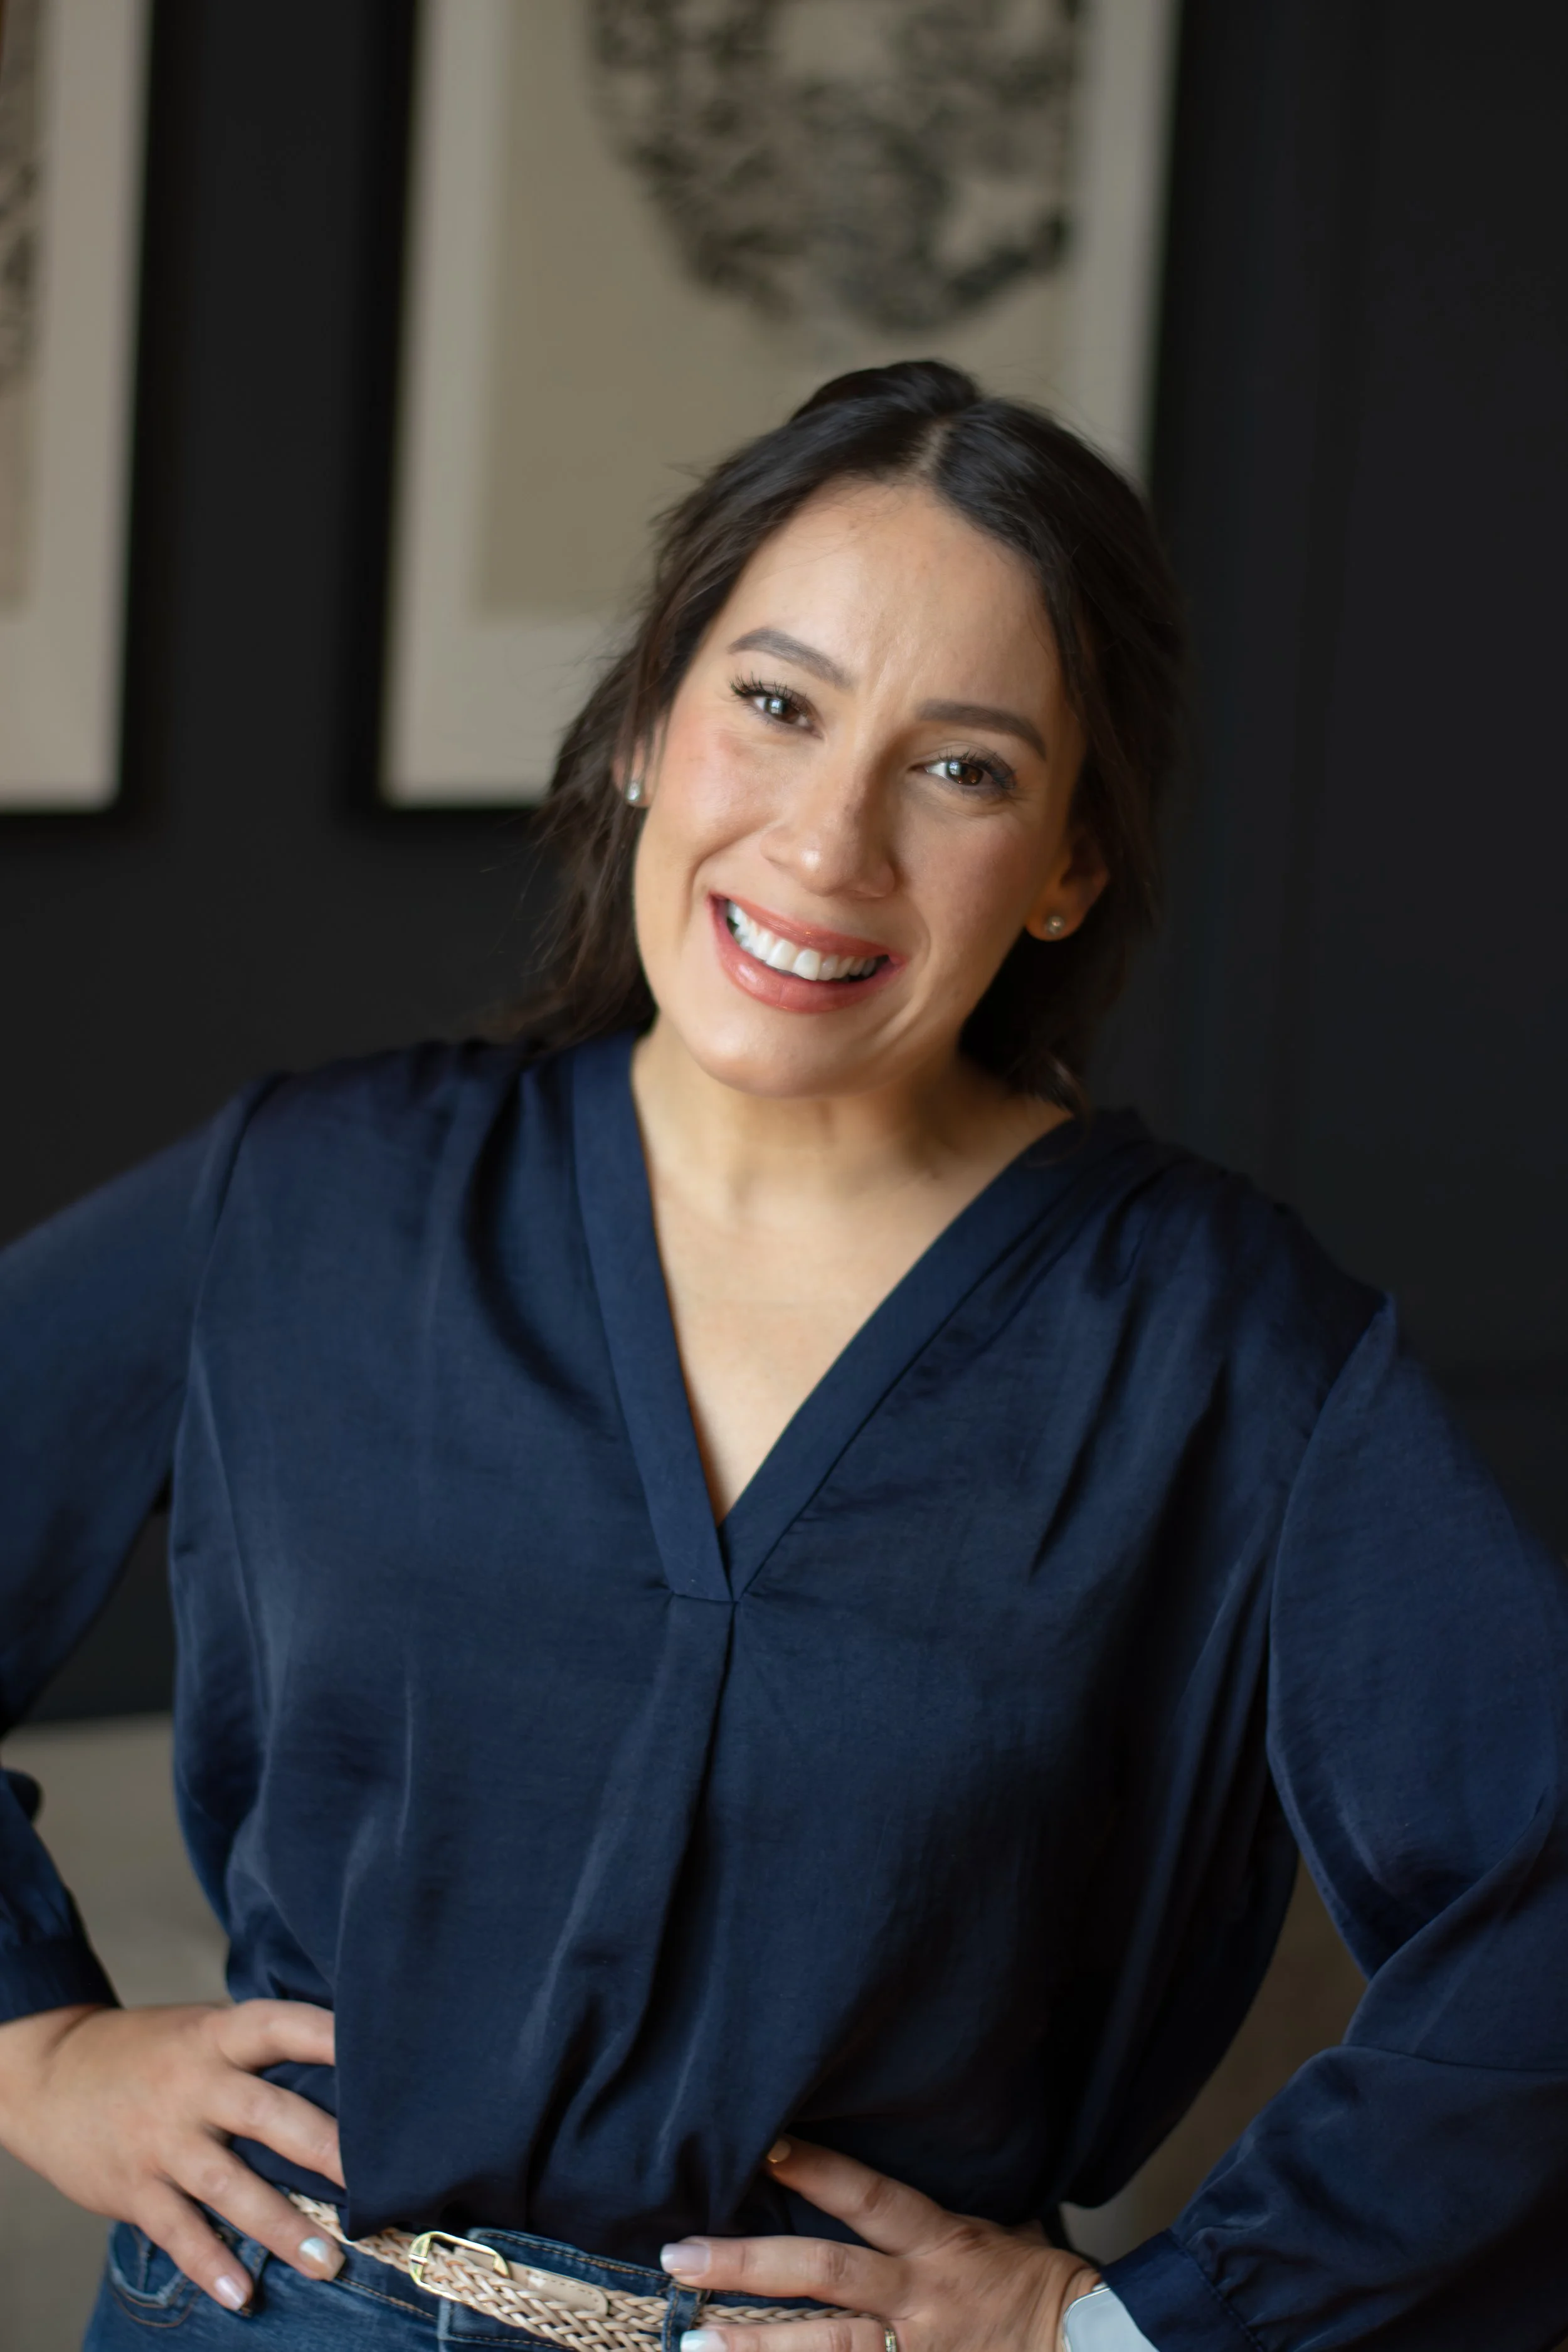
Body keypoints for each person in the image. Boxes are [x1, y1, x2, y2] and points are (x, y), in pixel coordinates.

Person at [0, 361, 1564, 2352]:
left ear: (1073, 858)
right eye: (776, 702)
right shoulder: (311, 1199)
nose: (829, 842)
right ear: (653, 719)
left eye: (963, 767)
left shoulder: (1215, 1340)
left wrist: (1125, 2332)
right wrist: (31, 2048)